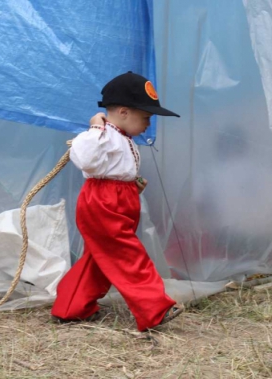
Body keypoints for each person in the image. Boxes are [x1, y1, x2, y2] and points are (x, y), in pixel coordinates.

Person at [51, 72, 184, 331]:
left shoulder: (121, 137)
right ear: (124, 112)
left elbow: (112, 169)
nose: (148, 124)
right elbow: (87, 159)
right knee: (127, 256)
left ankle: (70, 307)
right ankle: (155, 307)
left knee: (98, 260)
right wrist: (95, 126)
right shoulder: (101, 135)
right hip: (103, 203)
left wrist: (131, 185)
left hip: (117, 199)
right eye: (146, 117)